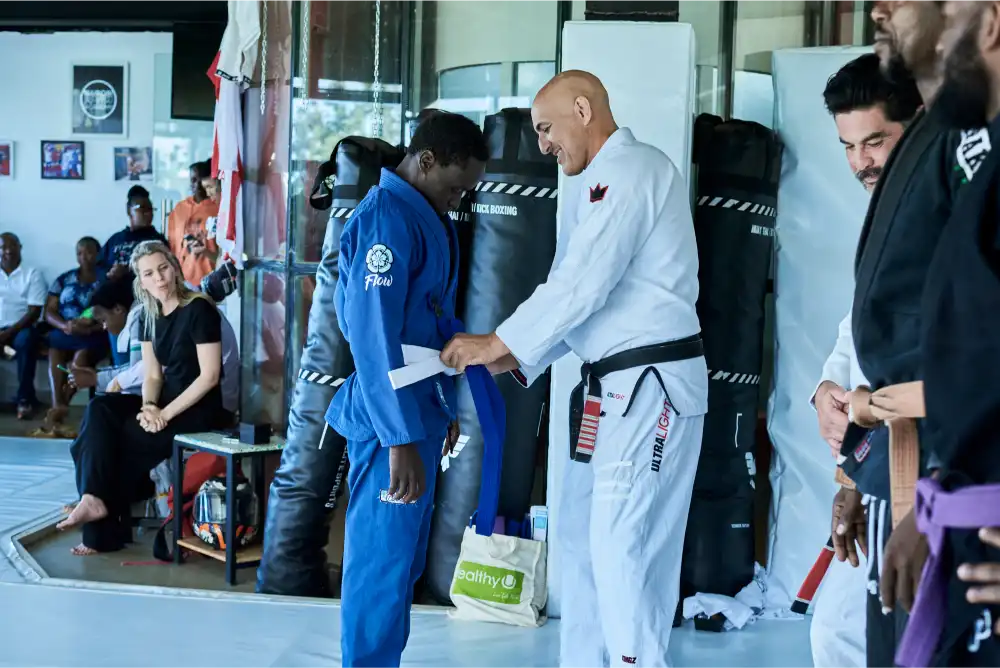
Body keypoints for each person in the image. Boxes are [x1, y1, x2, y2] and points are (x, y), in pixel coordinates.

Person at [440, 71, 708, 668]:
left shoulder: (633, 170)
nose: (542, 146)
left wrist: (498, 340)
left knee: (624, 543)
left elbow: (583, 285)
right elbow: (580, 298)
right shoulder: (595, 185)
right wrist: (510, 354)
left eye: (545, 129)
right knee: (580, 539)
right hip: (607, 389)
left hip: (649, 387)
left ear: (582, 110)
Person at [834, 1, 991, 665]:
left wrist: (945, 494)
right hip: (921, 465)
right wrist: (856, 471)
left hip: (964, 479)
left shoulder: (970, 140)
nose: (879, 9)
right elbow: (898, 327)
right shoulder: (939, 134)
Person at [323, 111, 486, 668]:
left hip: (422, 407)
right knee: (381, 564)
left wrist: (443, 406)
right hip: (387, 420)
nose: (458, 199)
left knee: (404, 563)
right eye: (455, 186)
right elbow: (373, 339)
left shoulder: (427, 216)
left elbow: (433, 322)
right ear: (426, 160)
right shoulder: (384, 220)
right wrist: (398, 438)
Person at [808, 52, 921, 668]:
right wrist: (829, 390)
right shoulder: (884, 215)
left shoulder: (951, 214)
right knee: (840, 634)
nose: (861, 162)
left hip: (941, 468)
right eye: (849, 147)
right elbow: (860, 334)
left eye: (875, 141)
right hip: (880, 461)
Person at [57, 241, 232, 555]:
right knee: (100, 409)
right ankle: (92, 498)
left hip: (199, 407)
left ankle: (98, 521)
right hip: (164, 402)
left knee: (118, 440)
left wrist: (163, 414)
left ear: (174, 268)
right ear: (141, 281)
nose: (159, 278)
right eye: (149, 273)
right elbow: (152, 376)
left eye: (163, 268)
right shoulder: (150, 315)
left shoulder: (199, 308)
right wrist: (149, 406)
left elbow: (209, 377)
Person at [68, 267, 240, 415]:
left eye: (103, 320)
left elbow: (145, 369)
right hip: (223, 396)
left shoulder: (143, 313)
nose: (104, 327)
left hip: (215, 402)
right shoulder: (178, 301)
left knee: (107, 408)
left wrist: (98, 379)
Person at [37, 236, 108, 437]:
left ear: (98, 254)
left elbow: (113, 312)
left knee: (80, 358)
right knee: (55, 351)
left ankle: (61, 406)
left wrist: (90, 327)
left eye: (89, 252)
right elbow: (49, 311)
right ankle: (57, 404)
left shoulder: (106, 279)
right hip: (66, 331)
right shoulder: (64, 279)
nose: (84, 257)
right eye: (80, 253)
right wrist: (66, 326)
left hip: (94, 334)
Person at [101, 186, 169, 365]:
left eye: (150, 209)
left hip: (144, 307)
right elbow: (99, 269)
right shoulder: (115, 240)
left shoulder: (156, 241)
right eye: (142, 209)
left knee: (139, 366)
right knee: (122, 365)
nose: (148, 213)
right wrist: (110, 273)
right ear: (128, 211)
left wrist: (129, 271)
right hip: (116, 309)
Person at [0, 232, 48, 420]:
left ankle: (24, 399)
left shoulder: (32, 274)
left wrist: (6, 335)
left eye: (12, 246)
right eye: (3, 247)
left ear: (20, 248)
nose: (8, 251)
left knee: (26, 341)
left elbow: (34, 311)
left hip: (20, 330)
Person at [168, 160, 219, 286]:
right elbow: (173, 245)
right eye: (193, 180)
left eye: (201, 179)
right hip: (184, 278)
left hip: (213, 276)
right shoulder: (179, 209)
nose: (198, 185)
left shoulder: (218, 206)